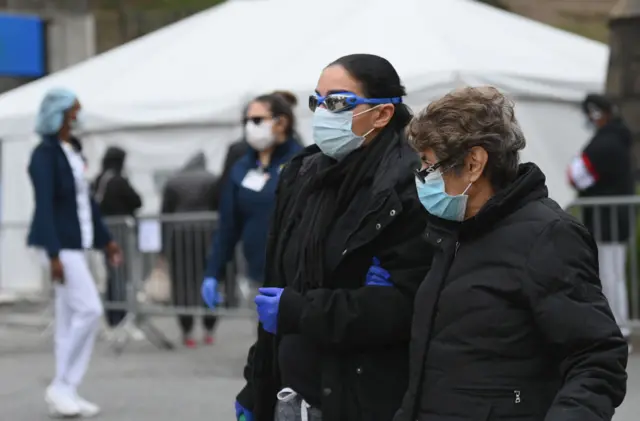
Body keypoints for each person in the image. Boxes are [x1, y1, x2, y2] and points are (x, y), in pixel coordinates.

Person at [394, 86, 628, 421]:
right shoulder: (454, 231)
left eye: (429, 167)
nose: (421, 179)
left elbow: (596, 357)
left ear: (474, 163)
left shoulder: (547, 236)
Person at [230, 54, 433, 421]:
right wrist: (255, 384)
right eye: (318, 100)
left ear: (383, 114)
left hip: (363, 394)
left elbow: (404, 307)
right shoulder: (303, 175)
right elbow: (279, 288)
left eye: (338, 101)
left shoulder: (408, 187)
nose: (324, 111)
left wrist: (299, 311)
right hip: (293, 390)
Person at [27, 88, 122, 418]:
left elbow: (88, 204)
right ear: (61, 114)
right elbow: (45, 206)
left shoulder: (73, 151)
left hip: (75, 243)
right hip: (58, 245)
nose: (78, 117)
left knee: (69, 319)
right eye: (75, 111)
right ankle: (61, 384)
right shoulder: (44, 154)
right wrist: (53, 254)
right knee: (90, 310)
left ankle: (67, 389)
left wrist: (106, 240)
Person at [202, 93, 302, 308]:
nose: (250, 126)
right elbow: (228, 226)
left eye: (257, 120)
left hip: (299, 278)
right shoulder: (241, 168)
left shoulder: (303, 162)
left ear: (281, 122)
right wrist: (213, 272)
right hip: (258, 275)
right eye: (246, 121)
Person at [568, 93, 635, 344]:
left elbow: (575, 175)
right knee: (614, 275)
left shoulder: (605, 143)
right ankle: (620, 329)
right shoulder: (619, 139)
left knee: (609, 276)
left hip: (607, 222)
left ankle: (617, 331)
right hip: (615, 221)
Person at [161, 152, 221, 347]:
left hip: (180, 236)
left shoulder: (173, 181)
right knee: (210, 279)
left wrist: (163, 247)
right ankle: (209, 328)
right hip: (208, 234)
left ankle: (187, 330)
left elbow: (164, 215)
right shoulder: (213, 179)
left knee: (183, 282)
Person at [93, 146, 143, 330]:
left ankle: (112, 314)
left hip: (104, 233)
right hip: (119, 235)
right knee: (120, 274)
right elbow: (137, 201)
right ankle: (119, 315)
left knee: (111, 275)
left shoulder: (99, 180)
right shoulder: (118, 181)